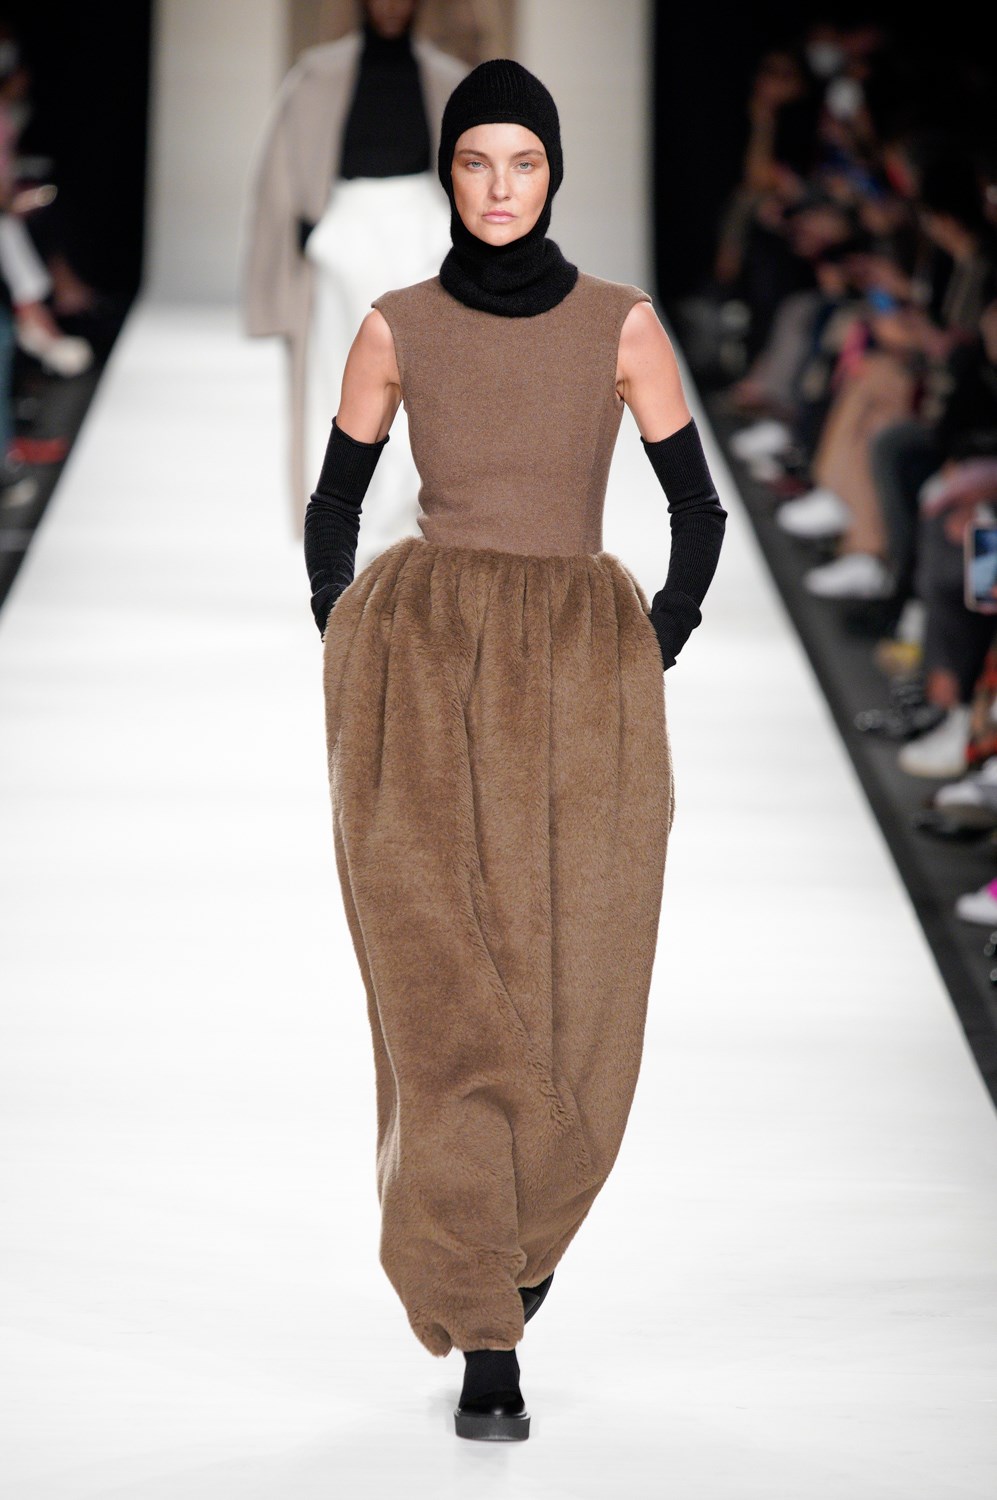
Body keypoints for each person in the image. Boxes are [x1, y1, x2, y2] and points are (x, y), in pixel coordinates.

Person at [304, 60, 727, 1442]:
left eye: (523, 162)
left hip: (579, 686)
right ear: (448, 172)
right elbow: (334, 503)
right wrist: (347, 634)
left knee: (573, 984)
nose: (498, 188)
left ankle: (519, 1240)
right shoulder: (397, 324)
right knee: (444, 993)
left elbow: (698, 509)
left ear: (553, 173)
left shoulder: (620, 323)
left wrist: (651, 641)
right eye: (476, 161)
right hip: (425, 679)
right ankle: (488, 1326)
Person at [243, 0, 467, 555]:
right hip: (344, 232)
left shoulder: (448, 80)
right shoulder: (316, 75)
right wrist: (299, 243)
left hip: (424, 230)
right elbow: (279, 177)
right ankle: (344, 520)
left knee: (423, 381)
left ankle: (407, 521)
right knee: (339, 376)